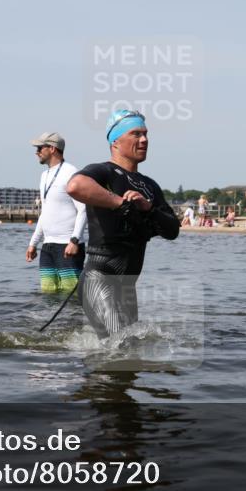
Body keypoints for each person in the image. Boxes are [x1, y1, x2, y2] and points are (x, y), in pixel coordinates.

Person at [66, 110, 180, 338]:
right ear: (115, 141)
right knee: (121, 347)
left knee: (128, 351)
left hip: (127, 288)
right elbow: (75, 186)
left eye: (145, 134)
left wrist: (147, 208)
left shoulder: (149, 186)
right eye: (136, 134)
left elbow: (172, 230)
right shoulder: (104, 172)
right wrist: (120, 203)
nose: (144, 140)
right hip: (99, 278)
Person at [26, 132, 87, 293]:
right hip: (47, 246)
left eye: (40, 148)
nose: (36, 152)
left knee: (71, 296)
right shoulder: (44, 176)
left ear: (52, 148)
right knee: (48, 294)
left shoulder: (71, 173)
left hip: (68, 246)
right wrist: (33, 243)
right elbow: (45, 212)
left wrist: (74, 241)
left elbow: (83, 209)